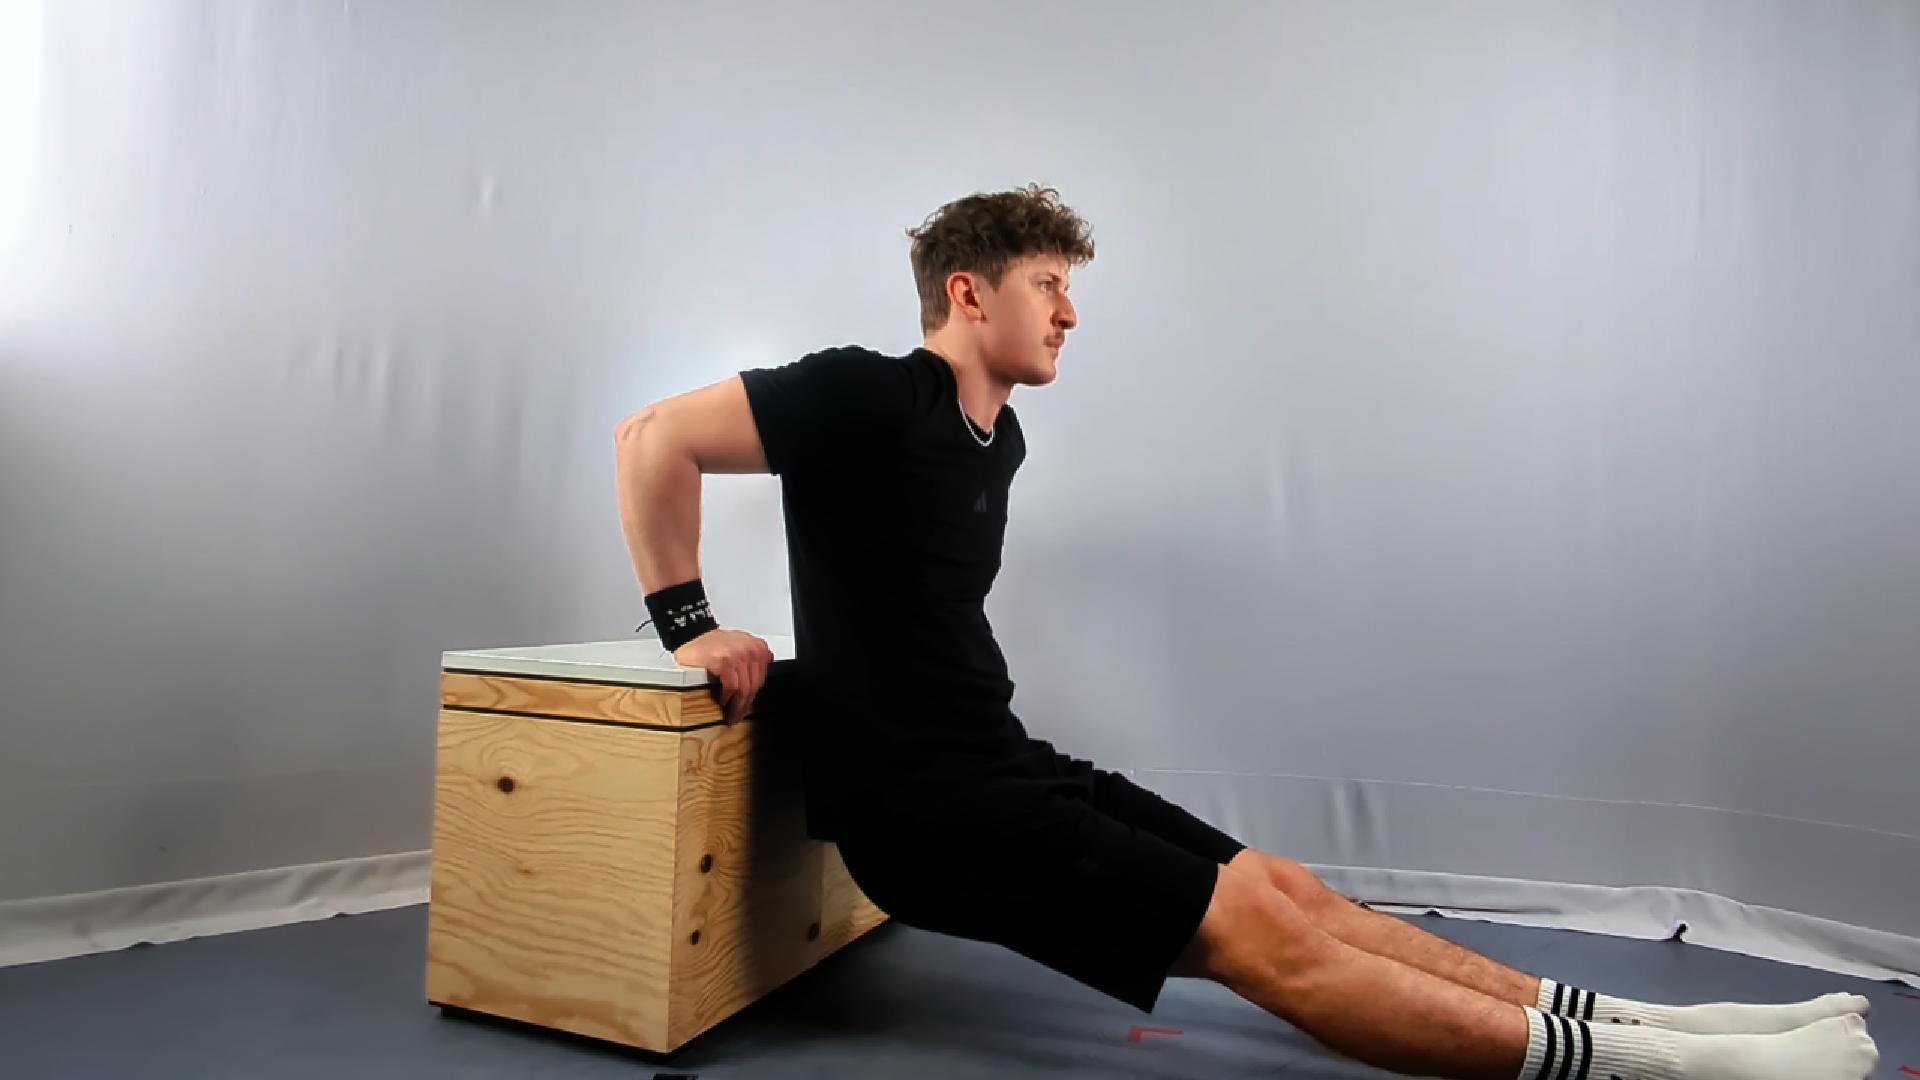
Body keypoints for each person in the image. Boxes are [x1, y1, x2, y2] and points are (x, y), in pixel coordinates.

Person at [613, 184, 1877, 1080]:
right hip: (919, 808)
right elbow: (653, 438)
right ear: (968, 290)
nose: (1069, 314)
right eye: (1050, 286)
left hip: (994, 762)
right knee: (1271, 944)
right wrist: (689, 625)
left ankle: (1677, 1029)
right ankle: (1663, 1073)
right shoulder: (866, 393)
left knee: (1286, 887)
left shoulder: (1000, 438)